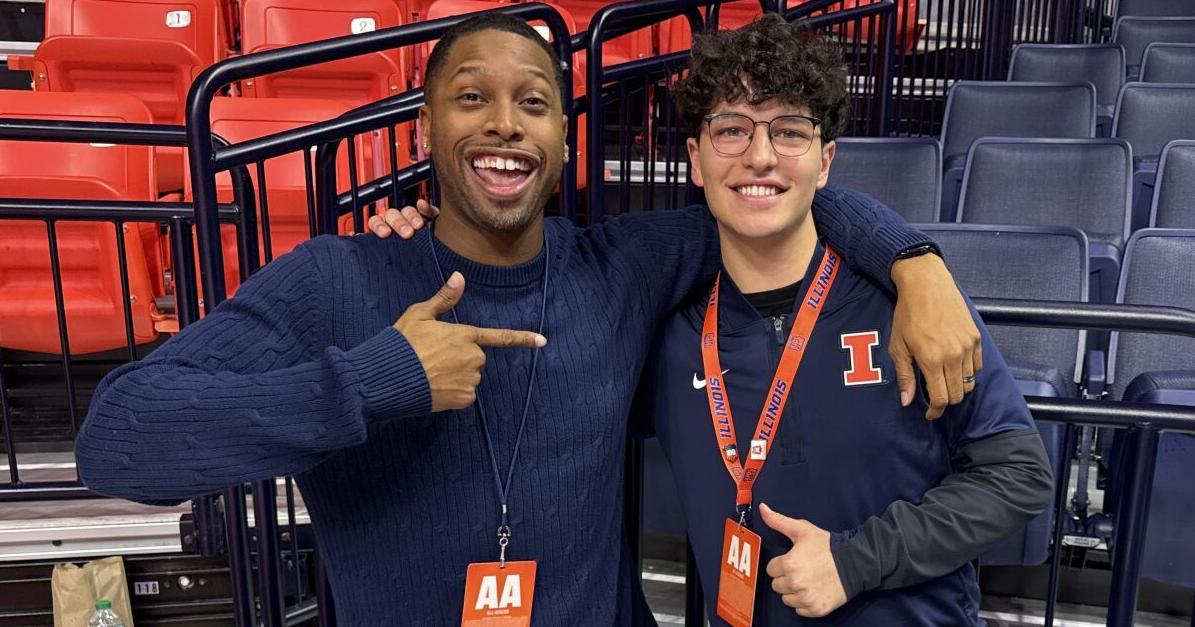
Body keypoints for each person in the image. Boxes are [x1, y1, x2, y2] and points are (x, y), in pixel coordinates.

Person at [79, 13, 980, 626]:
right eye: (472, 97)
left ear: (563, 140)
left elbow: (769, 195)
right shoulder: (336, 279)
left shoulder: (620, 265)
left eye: (535, 103)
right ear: (423, 131)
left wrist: (916, 261)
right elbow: (116, 441)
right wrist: (372, 379)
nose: (506, 124)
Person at [631, 15, 1055, 626]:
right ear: (696, 159)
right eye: (731, 130)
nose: (759, 156)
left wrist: (858, 560)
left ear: (825, 161)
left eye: (789, 132)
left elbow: (1018, 474)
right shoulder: (670, 331)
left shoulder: (909, 305)